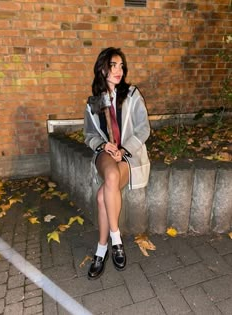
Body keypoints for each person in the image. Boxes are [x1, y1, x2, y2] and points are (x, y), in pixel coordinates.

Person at [84, 47, 150, 280]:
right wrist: (104, 146)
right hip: (106, 154)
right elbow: (89, 135)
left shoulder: (131, 94)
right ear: (103, 68)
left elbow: (143, 129)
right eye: (114, 65)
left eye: (122, 66)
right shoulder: (94, 101)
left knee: (103, 196)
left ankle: (102, 249)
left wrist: (124, 149)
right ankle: (117, 239)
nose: (119, 70)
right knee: (109, 176)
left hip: (128, 155)